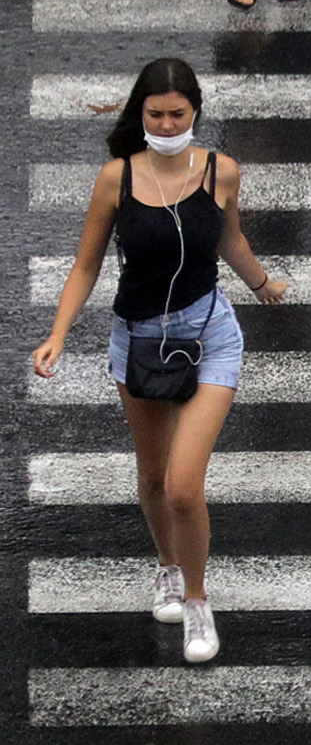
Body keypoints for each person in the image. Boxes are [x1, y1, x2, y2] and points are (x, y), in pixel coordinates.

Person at [31, 58, 288, 663]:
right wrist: (58, 333)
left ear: (195, 111)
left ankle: (196, 599)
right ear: (139, 114)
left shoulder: (222, 171)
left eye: (178, 113)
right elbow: (86, 264)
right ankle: (168, 566)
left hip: (209, 337)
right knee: (151, 476)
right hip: (139, 341)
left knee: (181, 487)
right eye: (156, 114)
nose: (167, 124)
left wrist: (261, 284)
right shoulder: (115, 179)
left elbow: (229, 237)